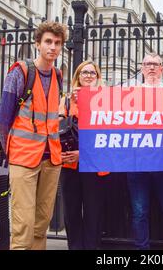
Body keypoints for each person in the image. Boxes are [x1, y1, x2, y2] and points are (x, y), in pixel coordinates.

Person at [0, 21, 67, 250]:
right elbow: (4, 119)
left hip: (51, 158)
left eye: (57, 43)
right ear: (37, 44)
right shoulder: (20, 72)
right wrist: (11, 152)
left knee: (41, 224)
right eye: (48, 42)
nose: (53, 47)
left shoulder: (57, 75)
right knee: (23, 226)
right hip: (23, 158)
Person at [127, 52, 163, 250]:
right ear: (142, 69)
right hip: (137, 163)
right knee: (139, 212)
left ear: (162, 69)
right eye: (147, 64)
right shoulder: (129, 94)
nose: (151, 67)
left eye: (156, 64)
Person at [59, 60, 109, 250]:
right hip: (69, 163)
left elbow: (108, 135)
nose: (88, 76)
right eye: (84, 72)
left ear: (98, 77)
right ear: (77, 76)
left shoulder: (105, 100)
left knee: (93, 212)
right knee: (71, 211)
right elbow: (58, 128)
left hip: (94, 163)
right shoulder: (66, 100)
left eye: (92, 73)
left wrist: (84, 154)